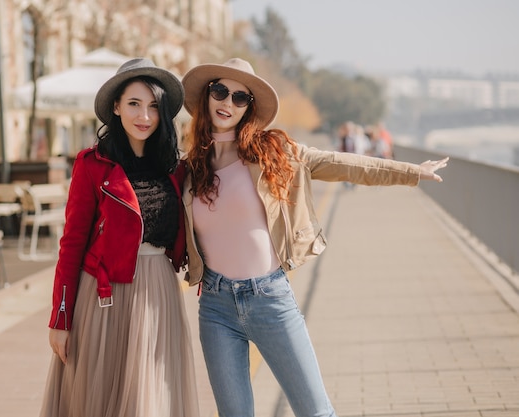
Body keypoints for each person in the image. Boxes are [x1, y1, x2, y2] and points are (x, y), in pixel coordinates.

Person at [180, 57, 449, 417]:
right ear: (207, 97)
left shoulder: (275, 153)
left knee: (315, 411)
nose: (227, 102)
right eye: (220, 91)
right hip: (215, 306)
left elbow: (344, 164)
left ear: (249, 107)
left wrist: (411, 172)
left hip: (269, 300)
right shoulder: (190, 167)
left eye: (239, 97)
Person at [39, 58, 199, 417]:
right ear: (116, 107)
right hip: (103, 296)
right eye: (134, 104)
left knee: (153, 398)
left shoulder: (176, 167)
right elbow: (72, 245)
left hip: (160, 293)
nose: (144, 116)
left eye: (154, 106)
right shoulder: (92, 164)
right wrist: (60, 319)